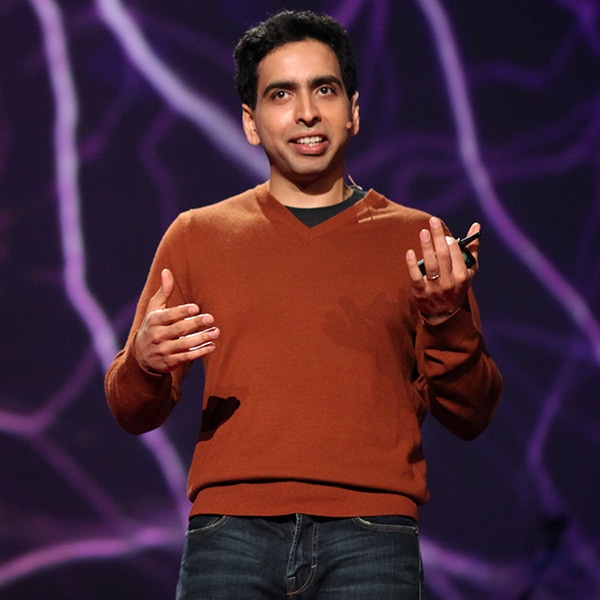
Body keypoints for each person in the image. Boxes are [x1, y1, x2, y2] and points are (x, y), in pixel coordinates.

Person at [105, 9, 502, 599]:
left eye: (325, 89)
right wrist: (143, 362)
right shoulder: (196, 236)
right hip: (230, 535)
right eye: (281, 94)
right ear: (250, 122)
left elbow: (472, 414)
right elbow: (131, 411)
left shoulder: (418, 239)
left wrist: (446, 317)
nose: (307, 112)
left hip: (373, 538)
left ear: (353, 111)